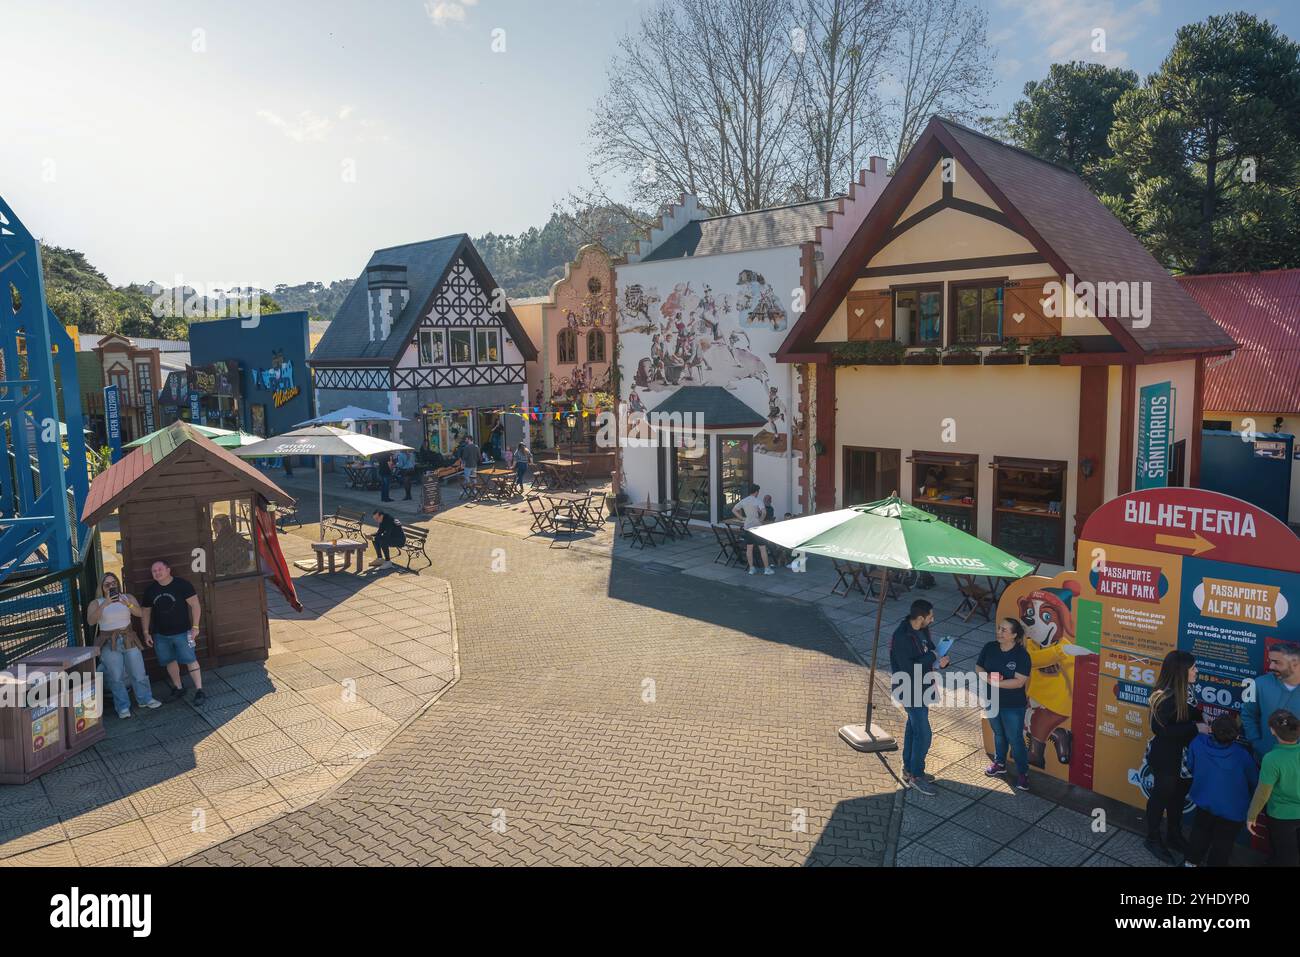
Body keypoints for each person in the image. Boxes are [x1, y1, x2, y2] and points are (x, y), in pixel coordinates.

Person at [1145, 650, 1209, 863]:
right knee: (1160, 798)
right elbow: (1161, 730)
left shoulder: (1187, 691)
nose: (1196, 671)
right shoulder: (1162, 696)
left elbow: (1189, 716)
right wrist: (1195, 727)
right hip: (1167, 758)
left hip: (1184, 759)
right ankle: (1153, 838)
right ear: (1181, 672)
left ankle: (1174, 835)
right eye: (1193, 668)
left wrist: (1200, 720)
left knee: (1178, 798)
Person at [1185, 712, 1258, 866]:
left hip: (1204, 802)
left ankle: (1191, 862)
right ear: (1237, 736)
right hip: (1232, 810)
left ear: (1211, 729)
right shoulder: (1242, 756)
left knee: (1199, 834)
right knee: (1222, 845)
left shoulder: (1198, 742)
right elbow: (1254, 781)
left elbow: (1190, 765)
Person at [890, 599, 947, 794]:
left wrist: (941, 661)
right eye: (930, 617)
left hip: (922, 688)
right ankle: (916, 775)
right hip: (909, 690)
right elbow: (909, 668)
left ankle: (909, 769)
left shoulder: (921, 630)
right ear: (921, 617)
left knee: (913, 729)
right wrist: (933, 657)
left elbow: (930, 651)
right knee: (924, 734)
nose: (933, 620)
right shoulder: (902, 637)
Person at [86, 572, 161, 719]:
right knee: (116, 676)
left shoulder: (128, 597)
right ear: (102, 587)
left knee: (138, 671)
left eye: (114, 583)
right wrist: (105, 604)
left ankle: (145, 699)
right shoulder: (96, 602)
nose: (111, 586)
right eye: (107, 584)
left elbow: (140, 613)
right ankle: (122, 707)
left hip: (128, 637)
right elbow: (91, 621)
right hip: (109, 641)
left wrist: (128, 604)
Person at [977, 618, 1033, 791]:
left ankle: (1023, 773)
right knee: (999, 734)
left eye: (1004, 630)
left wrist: (995, 683)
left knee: (1015, 739)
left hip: (1012, 705)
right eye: (999, 628)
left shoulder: (1021, 655)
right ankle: (999, 763)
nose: (999, 632)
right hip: (991, 700)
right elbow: (979, 667)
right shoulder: (990, 647)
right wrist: (988, 678)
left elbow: (1019, 682)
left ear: (1014, 635)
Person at [140, 559, 206, 706]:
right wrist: (146, 632)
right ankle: (178, 688)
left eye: (159, 569)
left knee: (190, 659)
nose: (157, 573)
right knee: (169, 660)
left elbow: (195, 605)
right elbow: (145, 612)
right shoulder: (150, 590)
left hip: (183, 632)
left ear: (168, 570)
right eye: (154, 571)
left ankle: (199, 690)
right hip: (160, 635)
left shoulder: (182, 585)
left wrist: (195, 626)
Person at [1246, 709, 1300, 866]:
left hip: (1281, 816)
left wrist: (1251, 816)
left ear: (1272, 731)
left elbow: (1263, 793)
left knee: (1287, 857)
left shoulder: (1271, 759)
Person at [1242, 642, 1300, 762]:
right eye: (1270, 661)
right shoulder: (1258, 684)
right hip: (1263, 760)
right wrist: (1257, 743)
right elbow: (1248, 715)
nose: (1271, 666)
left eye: (1277, 662)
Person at [732, 484, 772, 576]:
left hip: (747, 527)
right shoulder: (758, 501)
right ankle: (767, 569)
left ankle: (751, 568)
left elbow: (734, 510)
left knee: (749, 549)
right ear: (757, 492)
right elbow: (764, 512)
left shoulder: (744, 501)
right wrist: (760, 520)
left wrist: (742, 518)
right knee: (762, 548)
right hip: (757, 527)